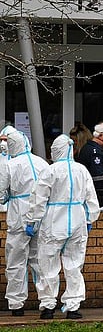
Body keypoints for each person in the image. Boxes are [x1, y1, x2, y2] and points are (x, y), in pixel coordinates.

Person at [25, 134, 100, 320]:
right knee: (74, 265)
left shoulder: (50, 171)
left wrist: (32, 221)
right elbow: (92, 198)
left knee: (48, 265)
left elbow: (38, 199)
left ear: (55, 150)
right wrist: (90, 219)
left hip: (53, 222)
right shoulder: (81, 170)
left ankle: (48, 305)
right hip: (77, 221)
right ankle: (73, 306)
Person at [0, 130, 49, 316]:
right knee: (40, 260)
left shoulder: (10, 165)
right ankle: (46, 301)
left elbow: (1, 190)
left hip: (19, 216)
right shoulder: (41, 163)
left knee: (16, 261)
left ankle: (16, 304)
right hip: (40, 215)